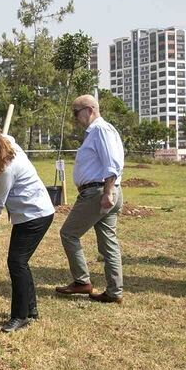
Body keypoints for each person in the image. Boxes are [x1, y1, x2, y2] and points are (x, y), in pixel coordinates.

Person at [0, 122, 55, 332]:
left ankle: (20, 316)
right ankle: (31, 309)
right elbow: (4, 136)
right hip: (27, 214)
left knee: (16, 262)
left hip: (35, 215)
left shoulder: (7, 167)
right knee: (20, 262)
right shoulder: (4, 144)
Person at [55, 94, 125, 304]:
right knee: (108, 243)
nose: (75, 118)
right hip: (105, 191)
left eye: (76, 113)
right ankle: (114, 291)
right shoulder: (104, 130)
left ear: (89, 110)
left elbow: (111, 163)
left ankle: (82, 281)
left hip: (98, 193)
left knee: (68, 233)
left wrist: (107, 192)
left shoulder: (99, 130)